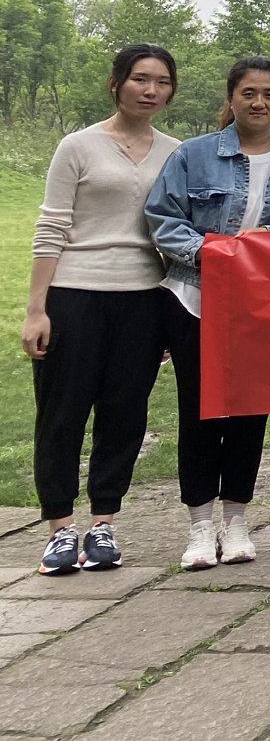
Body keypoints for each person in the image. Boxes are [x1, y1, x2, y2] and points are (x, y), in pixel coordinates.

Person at [27, 45, 181, 576]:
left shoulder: (175, 152)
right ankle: (59, 528)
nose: (150, 90)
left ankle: (103, 524)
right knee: (62, 413)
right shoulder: (78, 146)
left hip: (143, 297)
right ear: (116, 83)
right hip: (74, 294)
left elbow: (173, 230)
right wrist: (37, 309)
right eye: (140, 79)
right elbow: (51, 226)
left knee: (124, 413)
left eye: (162, 82)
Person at [146, 55, 270, 572]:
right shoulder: (193, 154)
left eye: (269, 94)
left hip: (261, 305)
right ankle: (199, 525)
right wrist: (215, 253)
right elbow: (163, 219)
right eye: (248, 93)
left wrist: (267, 243)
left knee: (250, 411)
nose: (258, 103)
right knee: (202, 409)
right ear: (231, 97)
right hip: (195, 299)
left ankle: (236, 521)